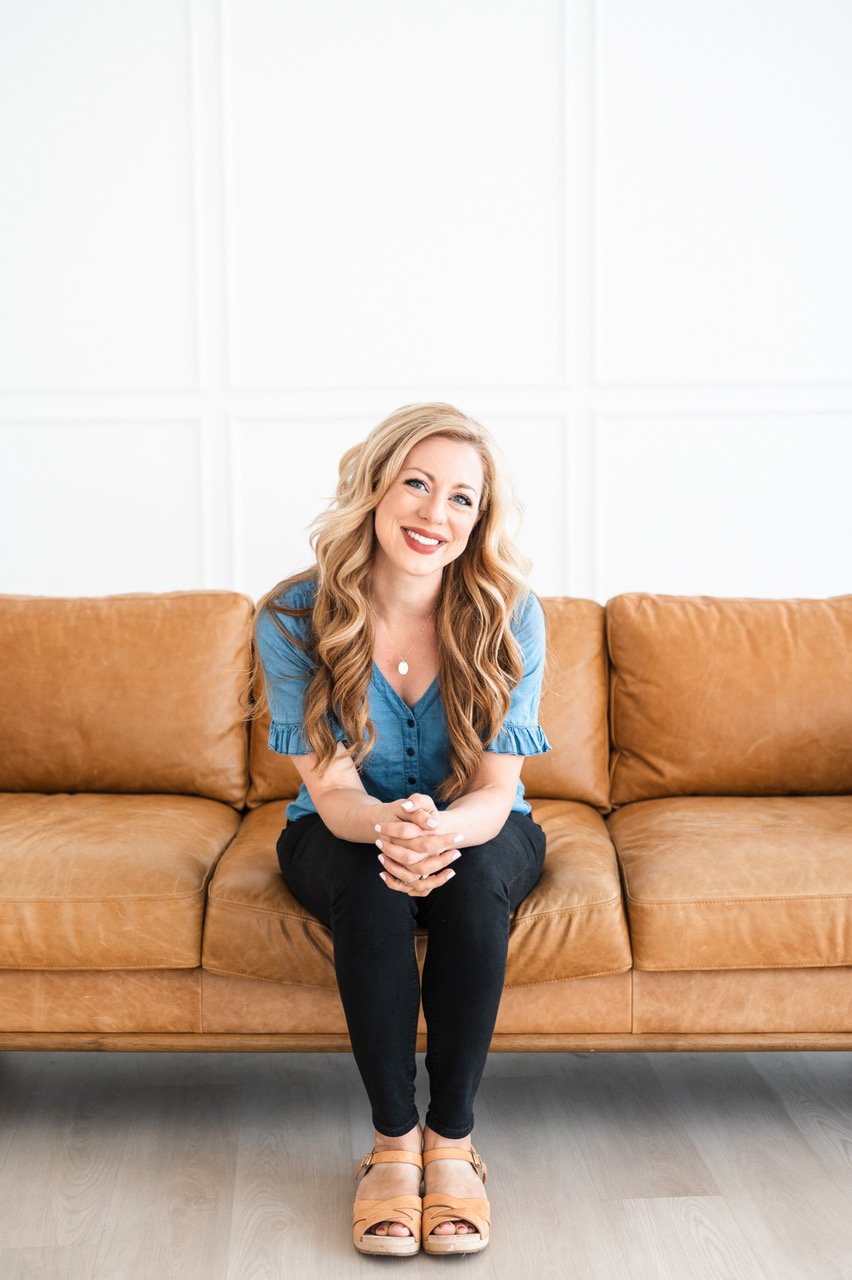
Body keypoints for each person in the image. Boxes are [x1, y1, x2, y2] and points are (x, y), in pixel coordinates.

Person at [250, 402, 552, 1257]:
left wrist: (438, 830)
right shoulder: (293, 616)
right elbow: (332, 789)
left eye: (461, 498)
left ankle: (451, 1143)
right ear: (375, 486)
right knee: (371, 880)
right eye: (417, 484)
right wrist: (394, 826)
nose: (434, 513)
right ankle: (392, 1145)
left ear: (479, 519)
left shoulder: (511, 613)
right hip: (339, 824)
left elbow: (496, 790)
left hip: (480, 824)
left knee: (473, 880)